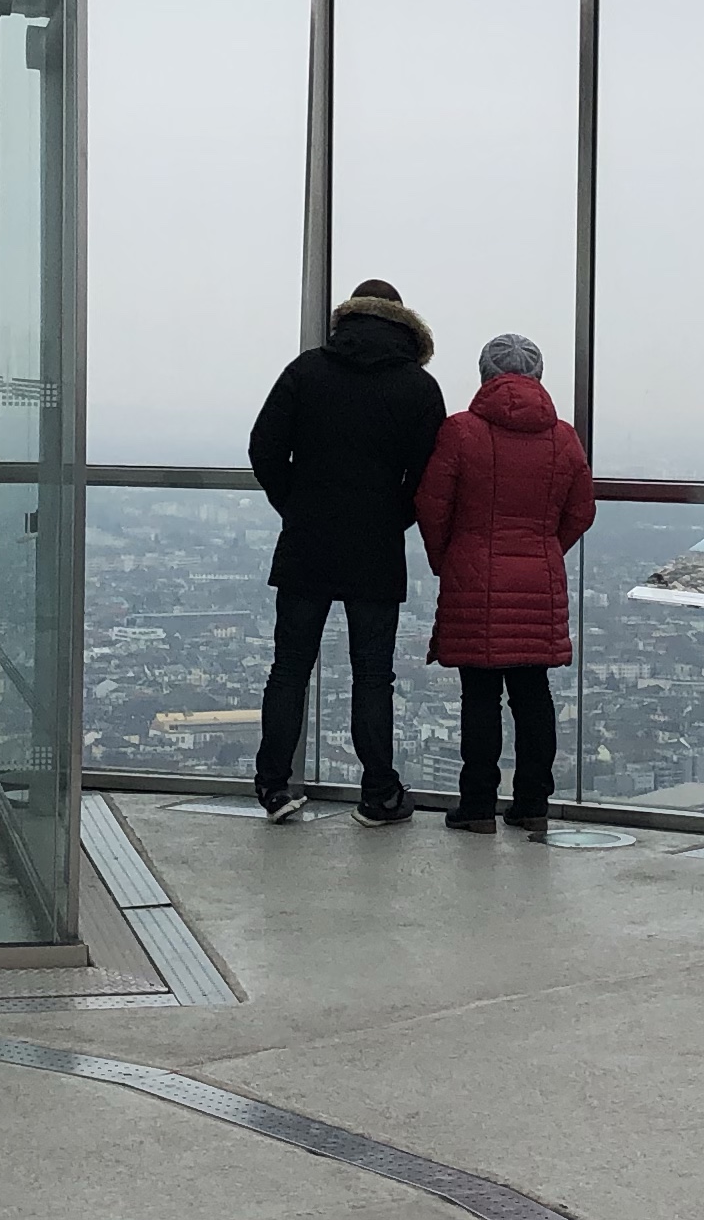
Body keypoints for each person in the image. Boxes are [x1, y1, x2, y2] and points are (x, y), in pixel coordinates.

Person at [246, 278, 445, 824]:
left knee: (289, 668)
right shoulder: (418, 387)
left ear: (348, 318)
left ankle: (273, 787)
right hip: (375, 546)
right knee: (373, 675)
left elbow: (264, 448)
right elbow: (428, 476)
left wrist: (295, 505)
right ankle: (379, 791)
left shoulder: (307, 370)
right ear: (402, 323)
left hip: (307, 540)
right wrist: (392, 516)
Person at [415, 334, 595, 836]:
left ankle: (477, 806)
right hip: (538, 576)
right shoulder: (563, 437)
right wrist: (545, 547)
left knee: (479, 697)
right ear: (538, 376)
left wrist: (449, 557)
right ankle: (532, 804)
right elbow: (582, 510)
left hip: (472, 575)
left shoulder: (460, 432)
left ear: (484, 375)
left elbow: (431, 504)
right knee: (533, 695)